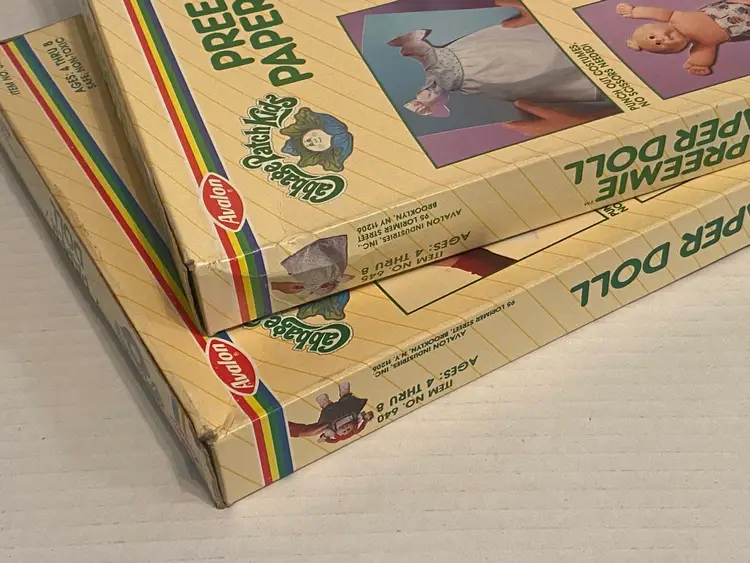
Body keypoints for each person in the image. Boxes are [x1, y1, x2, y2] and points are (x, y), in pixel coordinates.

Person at [617, 0, 750, 76]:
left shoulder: (676, 17)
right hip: (743, 27)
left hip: (730, 6)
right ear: (675, 50)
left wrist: (634, 11)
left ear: (654, 25)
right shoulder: (703, 42)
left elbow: (658, 13)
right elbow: (703, 52)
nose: (659, 40)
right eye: (658, 45)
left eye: (652, 36)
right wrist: (698, 65)